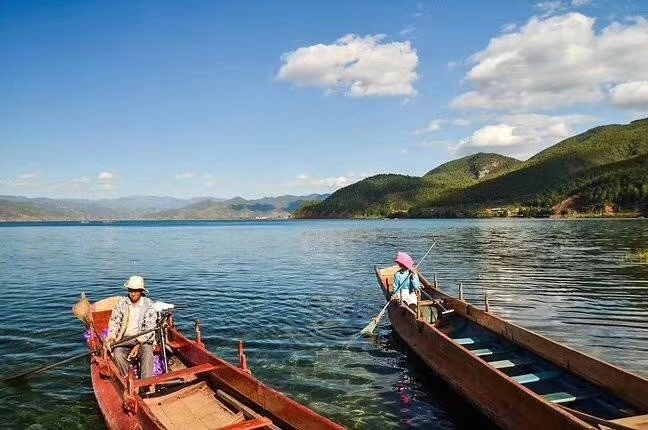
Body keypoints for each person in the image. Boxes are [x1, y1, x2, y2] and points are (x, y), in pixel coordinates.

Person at [103, 275, 157, 379]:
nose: (132, 293)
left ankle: (145, 384)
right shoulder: (122, 303)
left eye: (135, 291)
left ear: (141, 291)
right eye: (130, 290)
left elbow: (150, 328)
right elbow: (115, 321)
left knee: (148, 354)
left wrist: (139, 345)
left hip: (143, 339)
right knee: (118, 353)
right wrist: (111, 337)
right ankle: (129, 379)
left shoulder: (149, 305)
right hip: (125, 338)